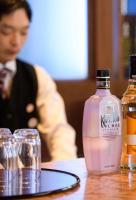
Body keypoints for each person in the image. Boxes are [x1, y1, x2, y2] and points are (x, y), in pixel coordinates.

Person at [0, 0, 77, 161]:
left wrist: (65, 169)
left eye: (23, 32)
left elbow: (59, 131)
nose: (16, 41)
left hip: (26, 180)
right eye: (6, 31)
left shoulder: (37, 76)